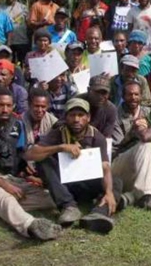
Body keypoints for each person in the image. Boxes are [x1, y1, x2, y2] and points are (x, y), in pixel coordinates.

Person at [0, 88, 61, 240]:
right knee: (5, 199)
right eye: (0, 105)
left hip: (11, 178)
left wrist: (29, 176)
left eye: (9, 105)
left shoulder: (17, 125)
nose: (5, 109)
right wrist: (4, 185)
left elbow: (20, 155)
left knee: (50, 197)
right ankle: (31, 226)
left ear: (14, 105)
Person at [26, 98, 119, 234]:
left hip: (87, 184)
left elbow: (105, 167)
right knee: (43, 160)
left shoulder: (97, 137)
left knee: (116, 182)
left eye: (81, 115)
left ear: (88, 118)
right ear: (66, 117)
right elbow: (30, 154)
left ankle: (98, 213)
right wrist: (60, 147)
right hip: (64, 186)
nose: (76, 120)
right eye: (72, 115)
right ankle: (68, 207)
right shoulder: (58, 132)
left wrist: (109, 192)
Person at [109, 80, 151, 211]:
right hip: (120, 167)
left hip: (141, 173)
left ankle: (129, 197)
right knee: (146, 146)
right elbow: (145, 136)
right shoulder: (142, 118)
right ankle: (147, 196)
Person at [0, 0, 30, 64]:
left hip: (21, 40)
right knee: (8, 63)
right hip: (7, 42)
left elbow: (29, 23)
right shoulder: (0, 8)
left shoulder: (23, 7)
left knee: (23, 63)